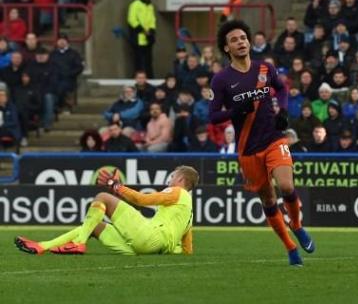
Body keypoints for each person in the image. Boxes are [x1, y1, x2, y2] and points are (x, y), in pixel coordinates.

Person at [209, 20, 314, 266]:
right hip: (247, 148)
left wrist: (284, 111)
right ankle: (290, 248)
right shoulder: (221, 80)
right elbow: (213, 116)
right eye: (234, 40)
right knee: (268, 200)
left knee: (286, 187)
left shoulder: (265, 69)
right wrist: (235, 110)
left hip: (273, 139)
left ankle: (297, 225)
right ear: (226, 48)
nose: (241, 42)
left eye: (243, 38)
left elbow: (283, 90)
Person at [15, 165, 198, 256]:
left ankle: (79, 243)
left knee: (102, 197)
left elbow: (142, 200)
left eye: (173, 176)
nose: (169, 180)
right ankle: (42, 246)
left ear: (181, 180)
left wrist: (115, 186)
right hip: (148, 249)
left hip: (149, 237)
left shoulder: (177, 192)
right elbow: (188, 250)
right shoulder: (188, 214)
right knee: (95, 226)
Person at [127, 0, 156, 77]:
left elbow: (152, 20)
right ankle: (138, 77)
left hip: (148, 37)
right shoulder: (135, 4)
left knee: (148, 59)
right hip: (138, 36)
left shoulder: (150, 6)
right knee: (138, 60)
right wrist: (142, 30)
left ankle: (149, 76)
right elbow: (131, 19)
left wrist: (151, 30)